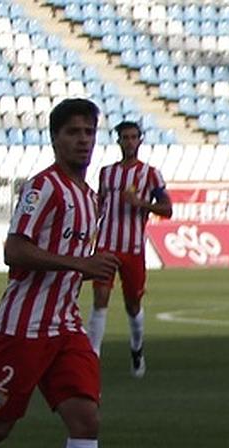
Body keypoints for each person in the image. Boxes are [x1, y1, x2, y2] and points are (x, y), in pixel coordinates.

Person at [0, 98, 124, 448]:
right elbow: (14, 251)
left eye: (88, 131)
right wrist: (81, 264)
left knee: (86, 420)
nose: (82, 139)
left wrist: (88, 269)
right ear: (55, 138)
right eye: (73, 132)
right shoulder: (44, 187)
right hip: (25, 326)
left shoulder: (90, 196)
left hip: (64, 325)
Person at [88, 120, 172, 376]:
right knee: (100, 299)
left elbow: (167, 209)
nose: (130, 141)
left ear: (141, 140)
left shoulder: (150, 174)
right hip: (106, 245)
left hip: (133, 247)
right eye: (125, 137)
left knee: (132, 304)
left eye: (134, 137)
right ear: (118, 141)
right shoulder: (106, 173)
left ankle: (137, 349)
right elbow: (99, 204)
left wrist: (140, 203)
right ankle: (91, 359)